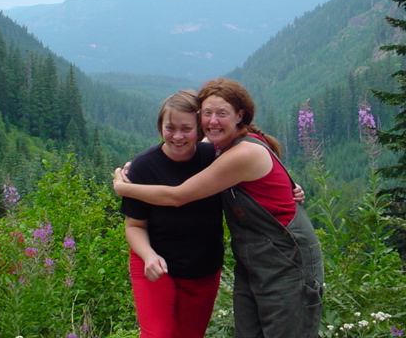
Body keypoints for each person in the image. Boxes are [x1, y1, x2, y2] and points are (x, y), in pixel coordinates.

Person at [114, 78, 324, 338]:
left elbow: (178, 196)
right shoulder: (217, 148)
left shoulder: (239, 153)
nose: (213, 121)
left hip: (287, 260)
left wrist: (124, 187)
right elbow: (180, 148)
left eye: (222, 113)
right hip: (252, 261)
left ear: (240, 115)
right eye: (207, 113)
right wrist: (137, 169)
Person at [121, 90, 223, 338]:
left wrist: (289, 187)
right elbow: (134, 226)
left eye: (186, 128)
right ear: (160, 128)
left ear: (199, 130)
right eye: (170, 128)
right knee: (158, 334)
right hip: (155, 264)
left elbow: (253, 168)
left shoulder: (215, 158)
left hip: (202, 268)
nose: (177, 136)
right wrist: (149, 256)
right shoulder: (144, 167)